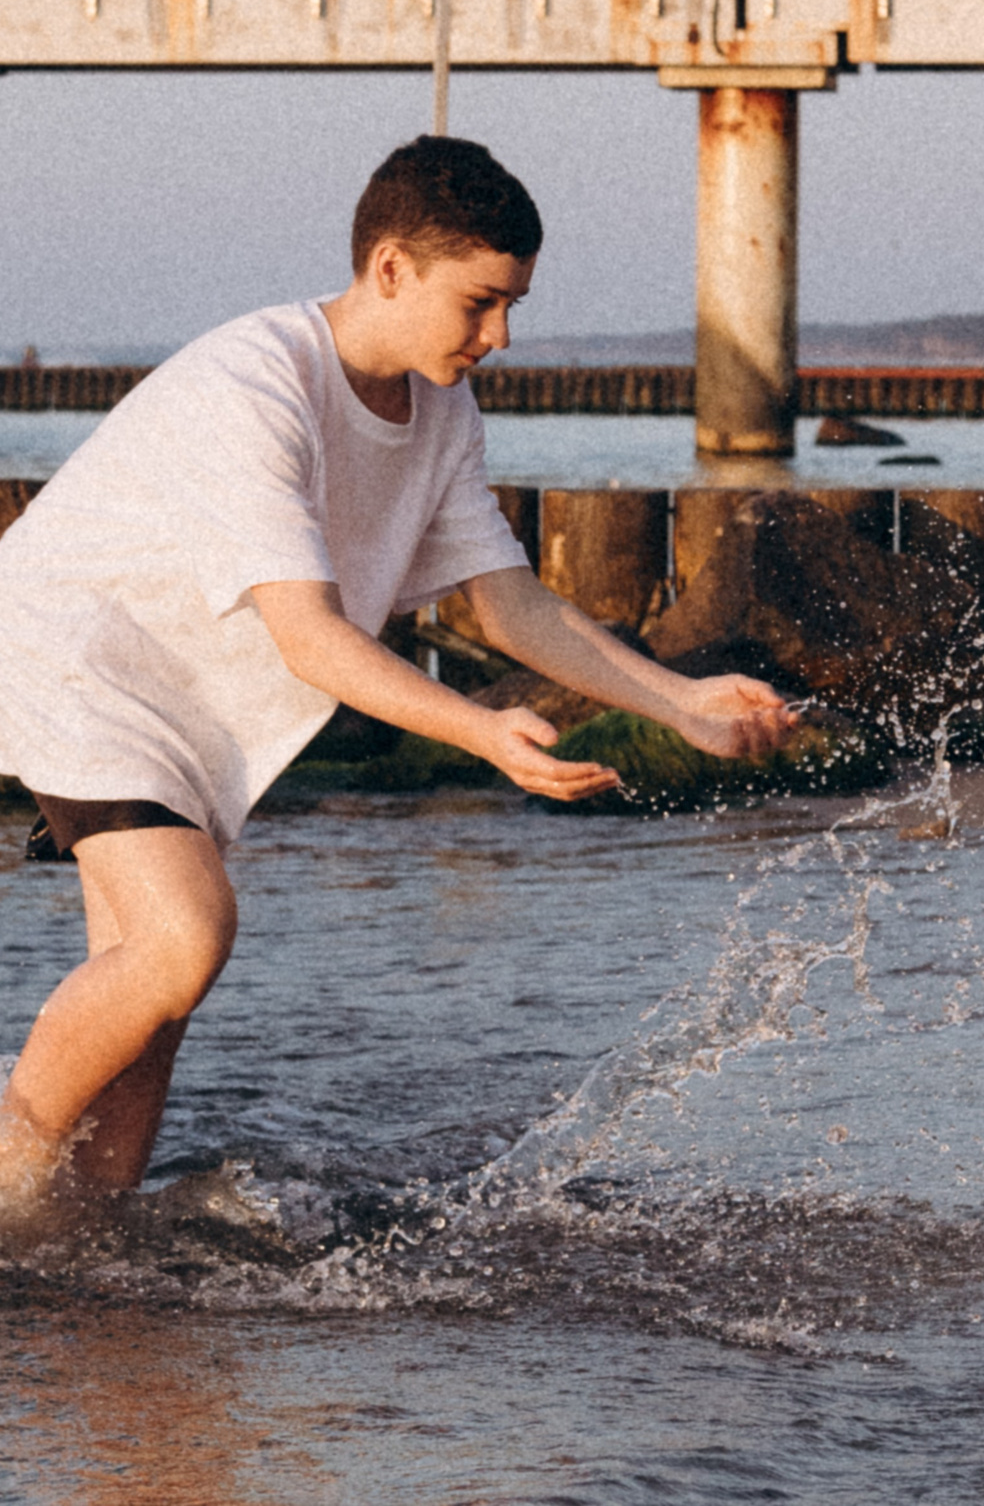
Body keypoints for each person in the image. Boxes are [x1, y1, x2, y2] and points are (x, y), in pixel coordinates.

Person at [0, 136, 796, 1216]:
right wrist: (477, 731)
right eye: (477, 303)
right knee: (183, 940)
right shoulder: (258, 380)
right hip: (74, 660)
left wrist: (680, 700)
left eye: (511, 305)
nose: (499, 336)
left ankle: (80, 1241)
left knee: (152, 999)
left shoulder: (442, 415)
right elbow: (313, 640)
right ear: (390, 268)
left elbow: (505, 600)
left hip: (184, 700)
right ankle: (8, 1192)